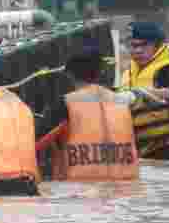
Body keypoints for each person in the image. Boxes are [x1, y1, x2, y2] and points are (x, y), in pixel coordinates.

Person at [38, 46, 139, 181]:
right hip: (128, 190)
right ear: (102, 72)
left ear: (69, 74)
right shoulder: (122, 103)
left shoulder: (65, 104)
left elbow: (36, 144)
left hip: (79, 192)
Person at [118, 21, 169, 160]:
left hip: (167, 152)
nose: (137, 50)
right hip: (135, 153)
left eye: (144, 45)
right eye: (133, 45)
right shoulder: (125, 75)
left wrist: (161, 93)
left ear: (157, 46)